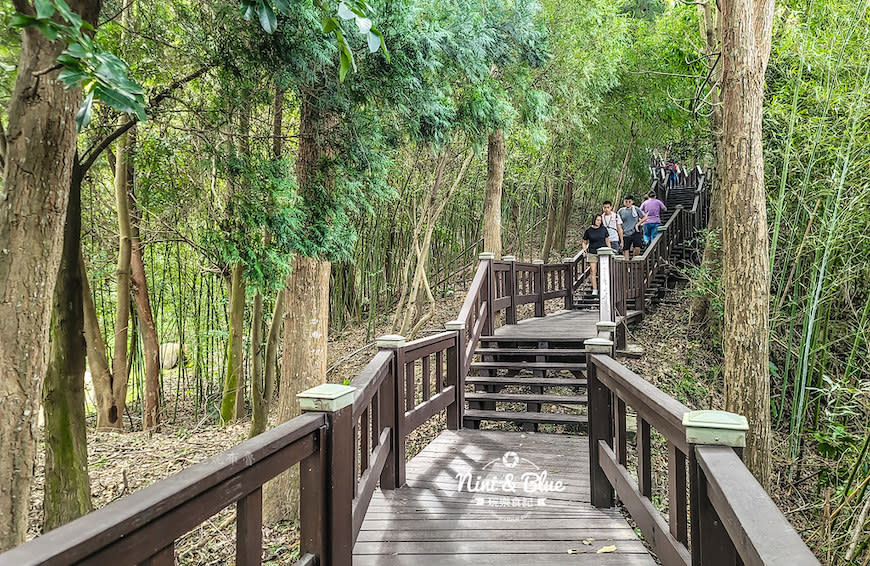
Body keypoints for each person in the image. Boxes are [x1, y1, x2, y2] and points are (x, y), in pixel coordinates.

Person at [582, 214, 608, 295]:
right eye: (597, 220)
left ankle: (604, 287)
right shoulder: (588, 230)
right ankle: (595, 289)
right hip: (592, 252)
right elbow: (584, 242)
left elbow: (607, 240)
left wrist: (610, 250)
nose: (599, 222)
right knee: (593, 271)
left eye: (600, 220)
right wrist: (584, 250)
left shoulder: (604, 229)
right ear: (594, 220)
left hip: (603, 252)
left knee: (603, 270)